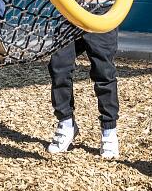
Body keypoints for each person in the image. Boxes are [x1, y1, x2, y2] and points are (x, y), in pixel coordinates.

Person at [48, 28, 121, 158]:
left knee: (104, 72)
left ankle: (109, 130)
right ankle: (66, 123)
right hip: (69, 15)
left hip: (101, 14)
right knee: (59, 66)